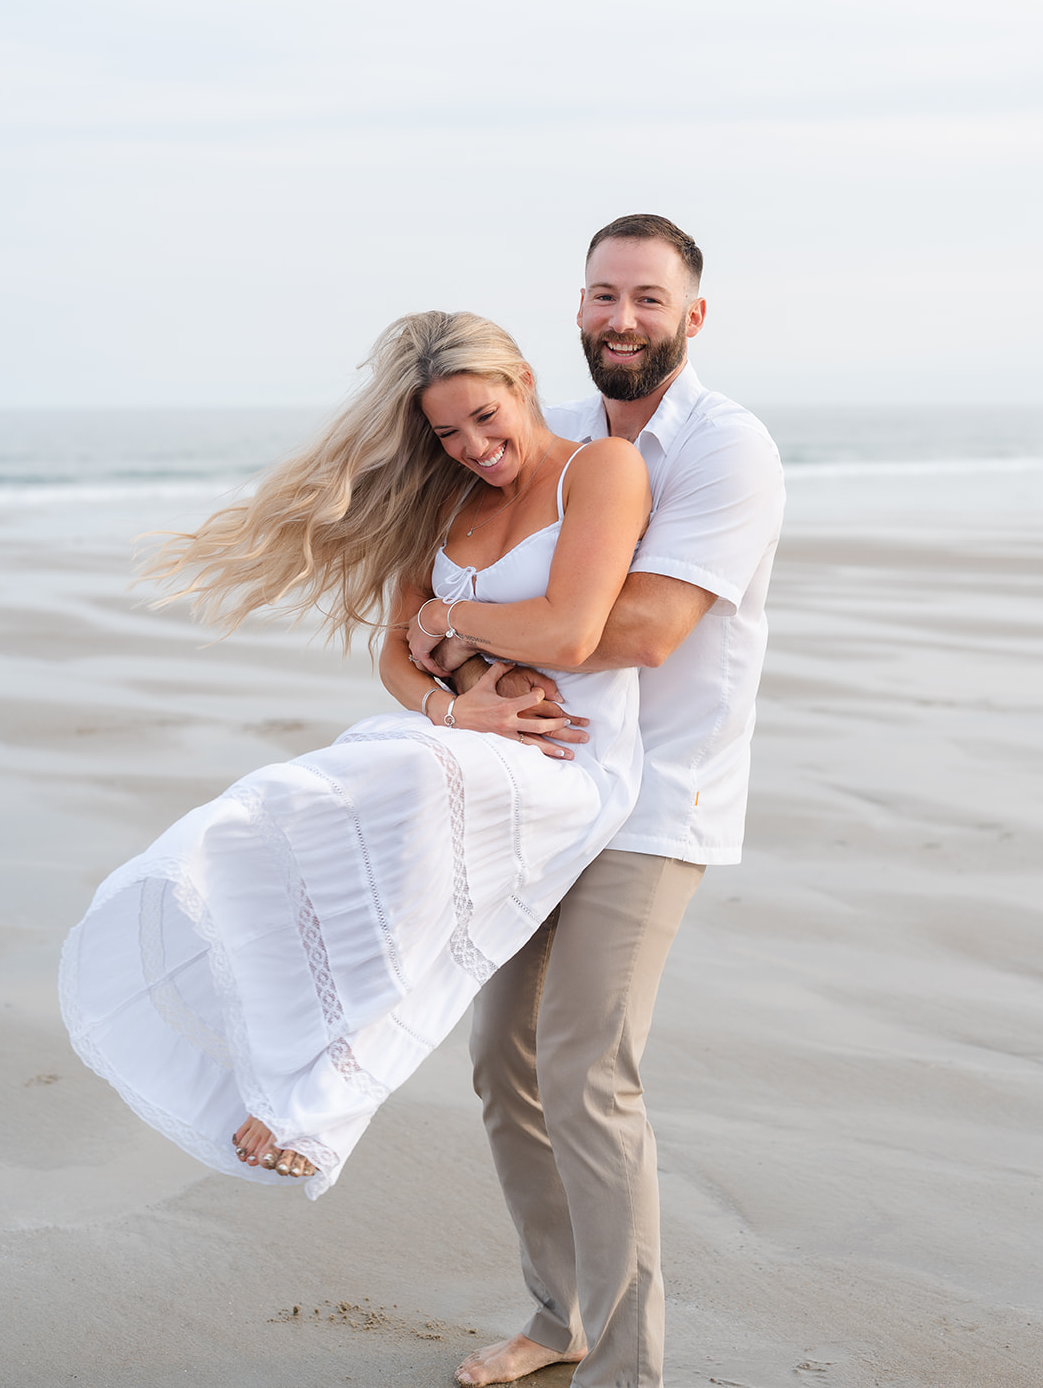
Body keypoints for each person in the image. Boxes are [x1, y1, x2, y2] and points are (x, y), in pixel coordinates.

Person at [60, 309, 652, 1197]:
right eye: (447, 432)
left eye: (485, 418)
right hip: (463, 742)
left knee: (404, 789)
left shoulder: (599, 468)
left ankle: (324, 1092)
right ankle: (268, 1032)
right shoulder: (445, 500)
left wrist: (448, 623)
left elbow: (569, 634)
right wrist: (456, 710)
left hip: (571, 755)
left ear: (522, 380)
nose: (473, 447)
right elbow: (392, 657)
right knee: (302, 800)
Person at [426, 216, 785, 1388]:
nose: (617, 317)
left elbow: (627, 629)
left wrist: (461, 634)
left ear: (690, 316)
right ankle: (559, 1313)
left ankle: (634, 1369)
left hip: (655, 799)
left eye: (643, 296)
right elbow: (467, 577)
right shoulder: (552, 433)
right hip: (537, 788)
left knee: (588, 1069)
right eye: (597, 295)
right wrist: (468, 676)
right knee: (501, 1061)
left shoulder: (725, 451)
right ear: (572, 311)